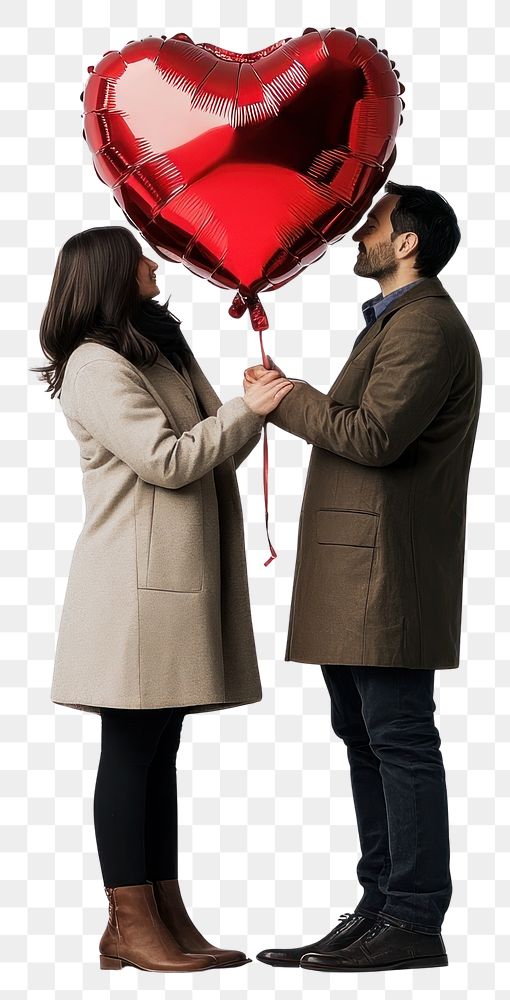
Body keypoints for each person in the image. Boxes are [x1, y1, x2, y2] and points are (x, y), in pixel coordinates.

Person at [32, 225, 294, 974]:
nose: (156, 261)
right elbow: (170, 461)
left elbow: (225, 439)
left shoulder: (159, 348)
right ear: (111, 274)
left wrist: (251, 405)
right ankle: (129, 924)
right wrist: (246, 411)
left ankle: (164, 915)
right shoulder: (94, 364)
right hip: (132, 591)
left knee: (159, 750)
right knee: (132, 748)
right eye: (140, 254)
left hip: (172, 581)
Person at [246, 180, 482, 972]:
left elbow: (374, 437)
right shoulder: (394, 323)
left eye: (373, 223)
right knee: (367, 739)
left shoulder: (427, 326)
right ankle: (380, 905)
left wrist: (286, 400)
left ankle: (414, 917)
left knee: (398, 739)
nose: (357, 231)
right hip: (358, 576)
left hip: (385, 577)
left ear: (407, 243)